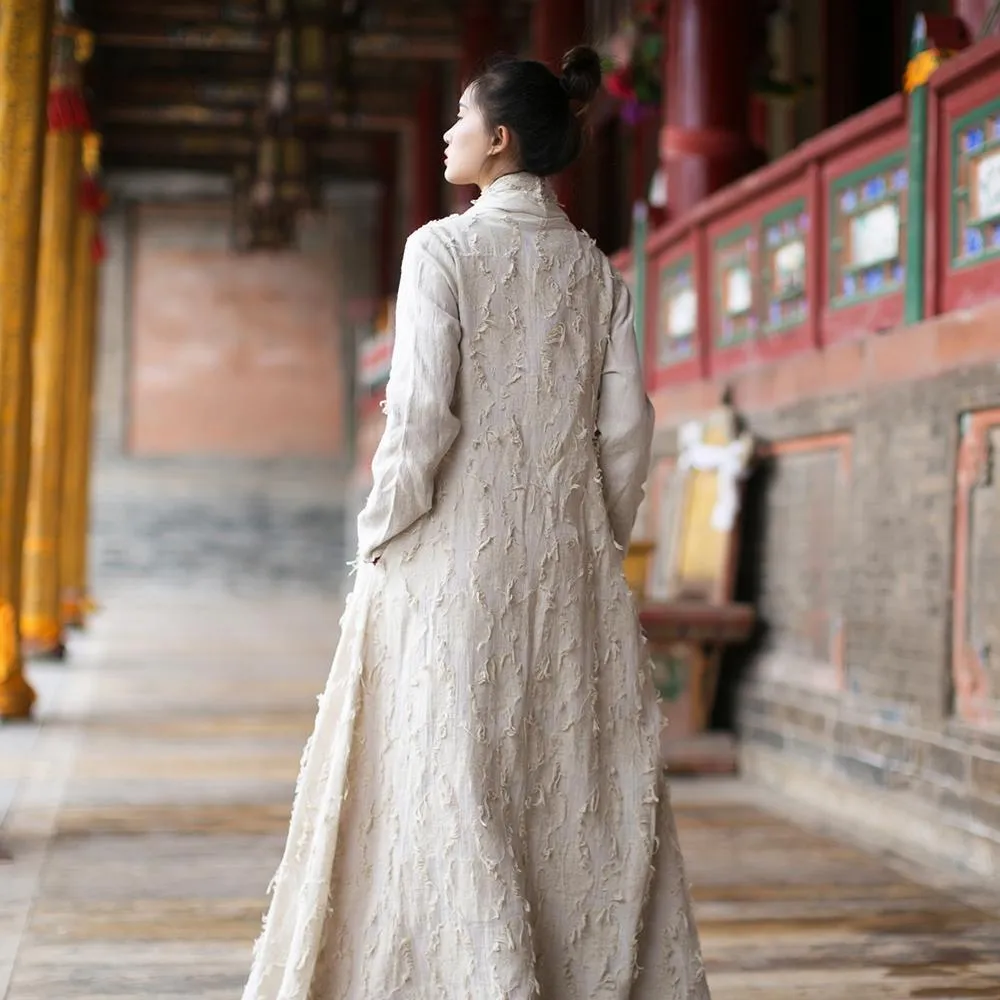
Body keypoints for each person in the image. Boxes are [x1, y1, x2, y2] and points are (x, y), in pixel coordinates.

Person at [242, 45, 711, 1000]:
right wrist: (597, 538)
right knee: (565, 779)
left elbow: (420, 416)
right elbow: (627, 430)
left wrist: (383, 527)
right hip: (570, 563)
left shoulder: (441, 250)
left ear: (497, 142)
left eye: (460, 121)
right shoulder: (592, 269)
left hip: (452, 561)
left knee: (454, 780)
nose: (450, 135)